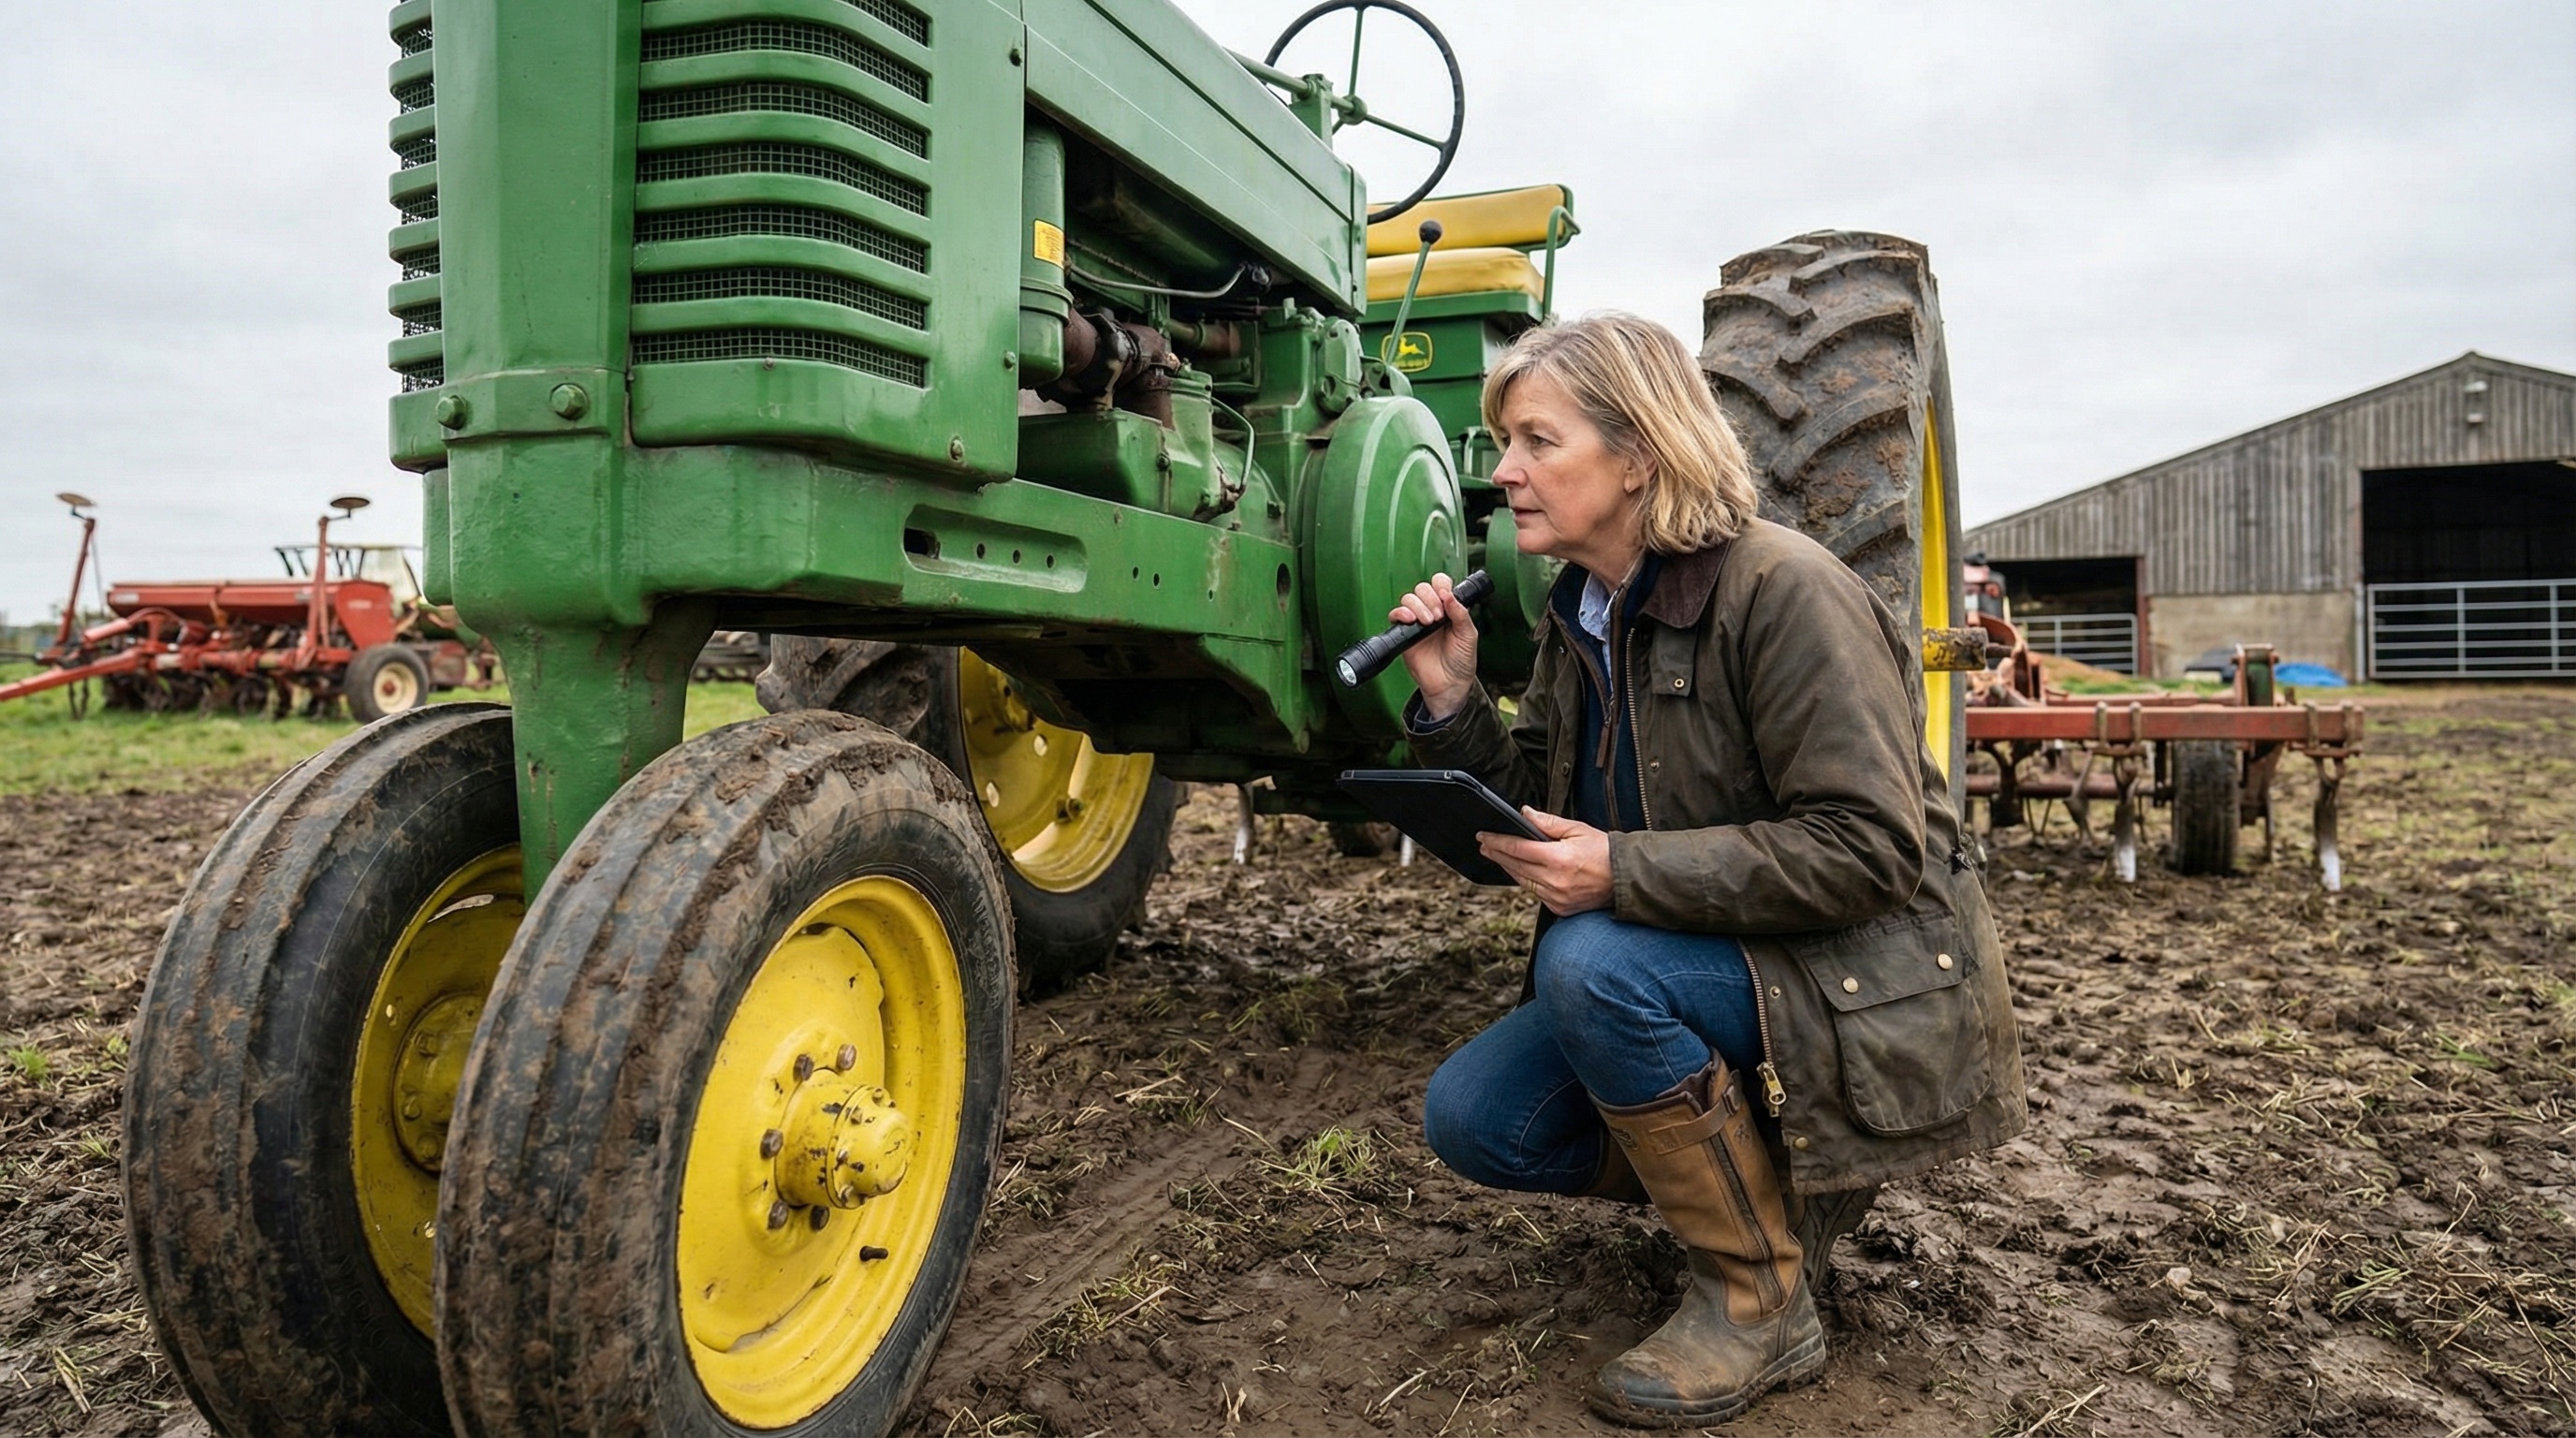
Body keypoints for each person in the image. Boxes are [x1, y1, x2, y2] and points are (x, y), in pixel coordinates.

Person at [1391, 313, 2026, 1429]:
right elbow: (1532, 824)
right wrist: (1448, 705)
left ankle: (1759, 1299)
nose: (1504, 472)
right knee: (1478, 1117)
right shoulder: (1582, 613)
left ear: (1636, 456)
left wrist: (1619, 872)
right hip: (1733, 951)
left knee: (1589, 965)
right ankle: (1753, 1190)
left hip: (1866, 974)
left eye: (1537, 440)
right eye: (1505, 445)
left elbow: (1871, 848)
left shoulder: (1786, 592)